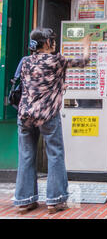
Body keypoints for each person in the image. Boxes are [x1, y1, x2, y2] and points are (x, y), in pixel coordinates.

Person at [13, 28, 91, 214]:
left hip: (24, 115)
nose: (55, 43)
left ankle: (24, 200)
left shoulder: (25, 62)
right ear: (47, 43)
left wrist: (58, 85)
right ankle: (54, 200)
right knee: (55, 155)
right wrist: (86, 46)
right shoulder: (56, 60)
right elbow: (83, 61)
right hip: (47, 115)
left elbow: (31, 84)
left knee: (26, 156)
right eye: (52, 40)